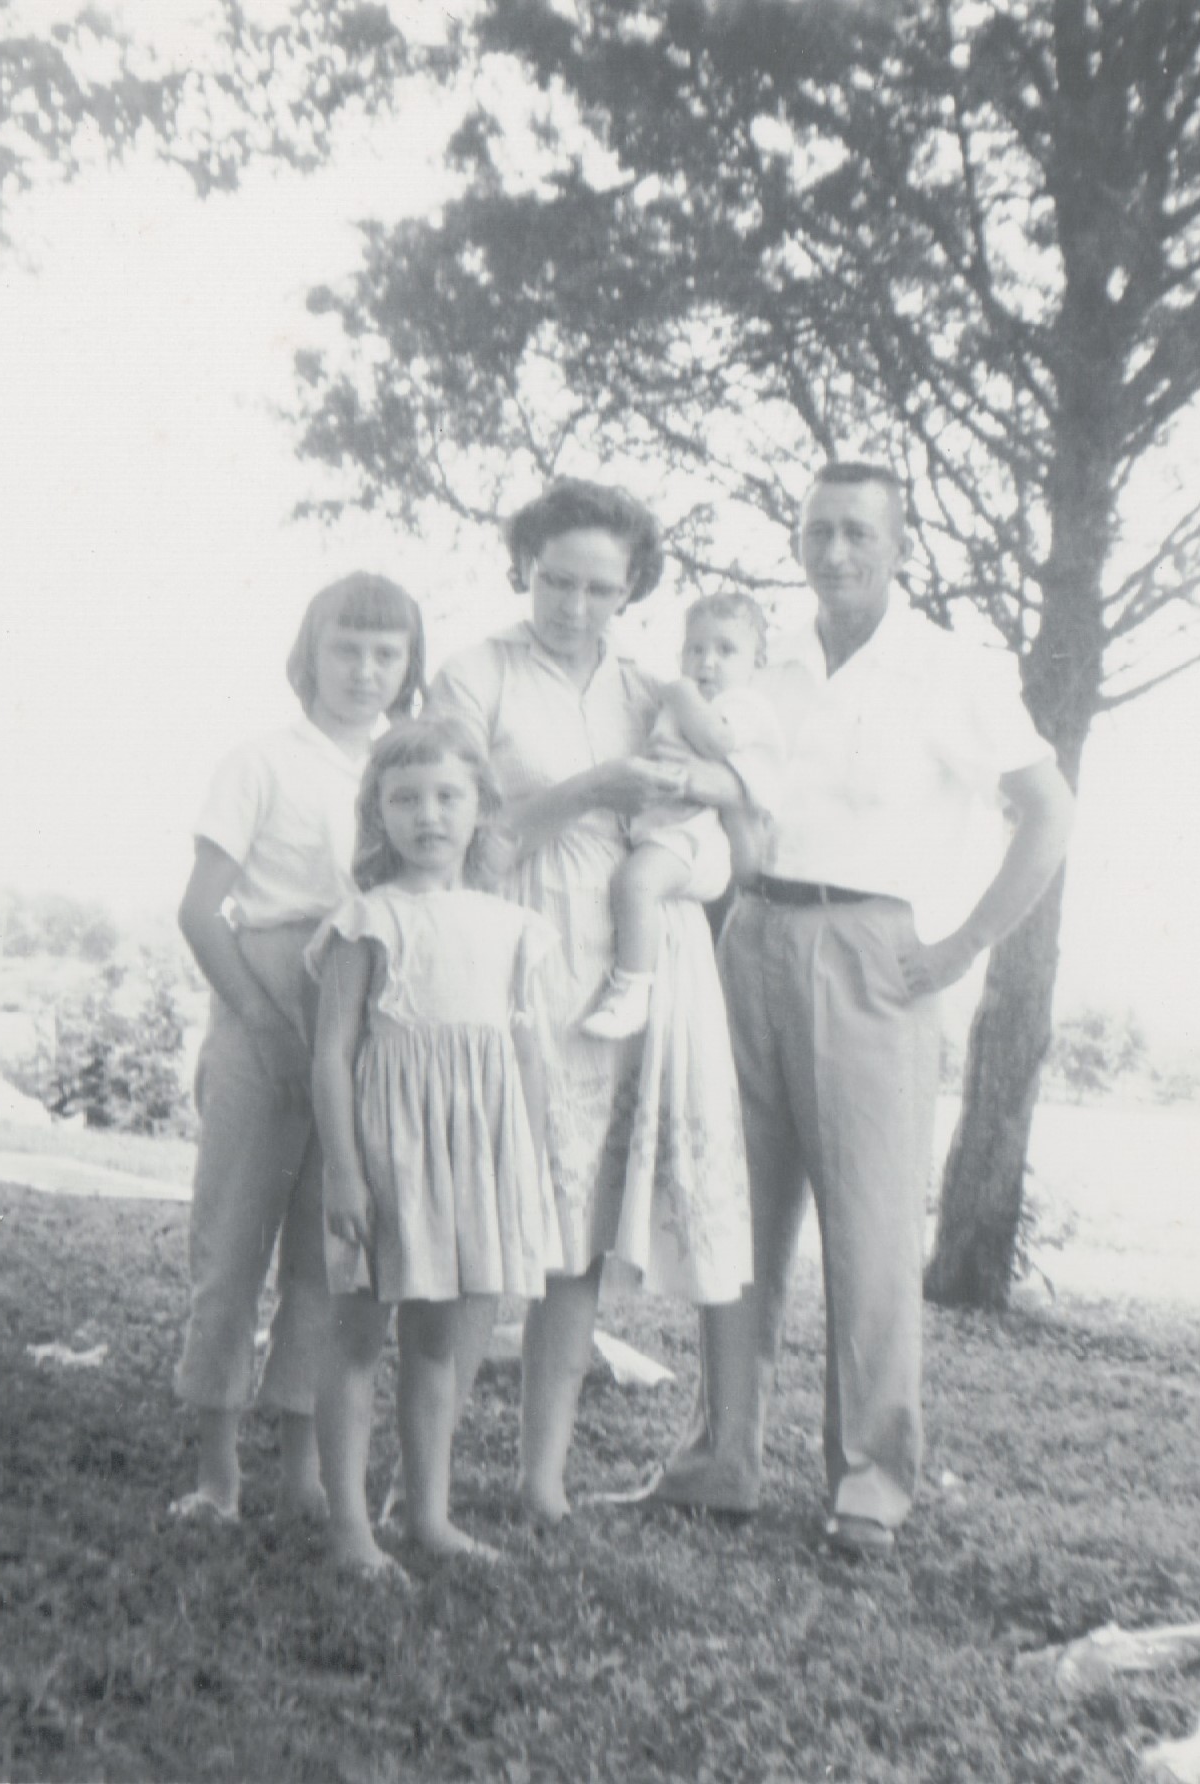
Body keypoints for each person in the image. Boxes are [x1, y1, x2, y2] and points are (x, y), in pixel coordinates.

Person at [648, 461, 1076, 1557]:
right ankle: (720, 1459)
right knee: (733, 1212)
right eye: (816, 531)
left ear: (897, 543)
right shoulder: (767, 666)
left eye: (857, 532)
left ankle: (870, 1485)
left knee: (872, 1231)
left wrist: (963, 943)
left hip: (874, 952)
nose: (834, 551)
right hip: (750, 933)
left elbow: (1043, 812)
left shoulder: (946, 668)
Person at [428, 479, 755, 1525]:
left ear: (632, 590)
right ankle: (422, 1480)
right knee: (485, 1230)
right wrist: (591, 791)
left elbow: (736, 808)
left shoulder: (653, 690)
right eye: (556, 579)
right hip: (506, 958)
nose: (575, 605)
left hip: (613, 977)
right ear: (523, 563)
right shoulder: (472, 673)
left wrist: (695, 807)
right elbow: (462, 834)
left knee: (574, 1246)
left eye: (601, 588)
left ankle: (540, 1478)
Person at [170, 572, 425, 1524]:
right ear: (309, 656)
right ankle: (216, 1472)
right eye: (346, 650)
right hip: (268, 993)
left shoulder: (406, 765)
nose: (364, 671)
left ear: (409, 665)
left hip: (364, 1007)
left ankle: (301, 1472)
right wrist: (262, 1022)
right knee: (233, 1239)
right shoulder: (262, 760)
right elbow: (200, 911)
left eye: (386, 653)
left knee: (331, 1253)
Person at [308, 719, 560, 1571]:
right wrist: (344, 1170)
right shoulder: (368, 918)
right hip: (387, 1157)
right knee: (355, 1337)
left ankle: (429, 1517)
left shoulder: (510, 925)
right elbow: (333, 1054)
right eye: (406, 798)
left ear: (481, 809)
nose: (429, 815)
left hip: (473, 1159)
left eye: (449, 797)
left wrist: (521, 1169)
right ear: (378, 814)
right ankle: (349, 1529)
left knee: (439, 1344)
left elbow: (522, 1054)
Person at [583, 592, 782, 1039]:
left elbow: (717, 741)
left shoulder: (744, 705)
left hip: (698, 841)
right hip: (669, 832)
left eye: (725, 650)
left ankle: (633, 989)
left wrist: (679, 692)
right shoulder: (686, 701)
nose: (707, 662)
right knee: (630, 884)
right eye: (696, 649)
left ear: (758, 661)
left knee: (635, 882)